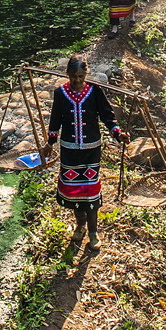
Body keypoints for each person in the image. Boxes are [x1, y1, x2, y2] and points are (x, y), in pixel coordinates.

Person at [39, 55, 129, 254]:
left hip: (91, 151)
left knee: (90, 192)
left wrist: (118, 134)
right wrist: (49, 143)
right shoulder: (61, 94)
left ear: (86, 74)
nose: (77, 81)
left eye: (81, 76)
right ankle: (80, 226)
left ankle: (94, 232)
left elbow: (108, 116)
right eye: (73, 77)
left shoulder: (95, 92)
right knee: (74, 193)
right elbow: (55, 122)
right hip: (70, 152)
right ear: (67, 75)